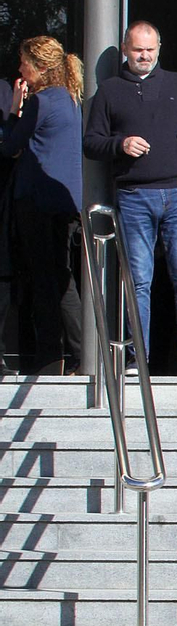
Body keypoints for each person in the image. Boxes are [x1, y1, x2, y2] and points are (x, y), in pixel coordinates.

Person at [82, 20, 177, 376]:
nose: (144, 56)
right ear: (125, 49)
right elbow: (91, 143)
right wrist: (120, 144)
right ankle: (136, 357)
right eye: (138, 49)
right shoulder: (109, 91)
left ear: (160, 49)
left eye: (150, 49)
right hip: (134, 195)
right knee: (138, 279)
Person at [2, 35, 83, 374]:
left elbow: (10, 146)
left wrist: (11, 112)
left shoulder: (42, 101)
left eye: (24, 63)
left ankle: (51, 355)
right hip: (65, 203)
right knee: (61, 276)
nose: (19, 69)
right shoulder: (70, 98)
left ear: (38, 68)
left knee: (43, 278)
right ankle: (80, 351)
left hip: (36, 201)